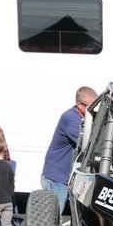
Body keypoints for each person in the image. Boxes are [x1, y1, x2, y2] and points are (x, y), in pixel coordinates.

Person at [41, 86, 97, 215]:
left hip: (68, 178)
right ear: (79, 105)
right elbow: (89, 142)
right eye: (91, 107)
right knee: (54, 219)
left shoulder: (85, 118)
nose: (94, 110)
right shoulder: (71, 119)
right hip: (57, 179)